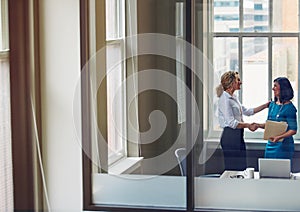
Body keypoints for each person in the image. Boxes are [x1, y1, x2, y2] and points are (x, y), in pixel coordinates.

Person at [216, 71, 270, 171]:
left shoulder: (233, 98)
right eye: (238, 80)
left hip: (238, 135)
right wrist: (248, 125)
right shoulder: (225, 99)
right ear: (231, 83)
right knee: (233, 169)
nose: (240, 82)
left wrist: (265, 106)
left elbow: (247, 111)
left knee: (241, 167)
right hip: (230, 137)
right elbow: (231, 123)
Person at [256, 77, 297, 163]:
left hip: (283, 146)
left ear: (283, 88)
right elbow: (270, 125)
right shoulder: (272, 105)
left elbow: (293, 130)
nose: (273, 88)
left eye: (275, 86)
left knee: (280, 172)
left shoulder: (290, 108)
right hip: (270, 144)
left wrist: (278, 137)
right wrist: (258, 125)